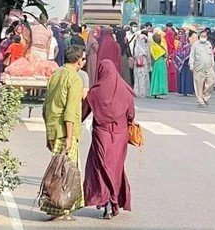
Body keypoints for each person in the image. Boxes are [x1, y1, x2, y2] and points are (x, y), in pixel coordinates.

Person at [82, 60, 134, 219]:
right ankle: (114, 200)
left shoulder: (95, 92)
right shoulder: (125, 90)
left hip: (101, 135)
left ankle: (106, 201)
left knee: (101, 168)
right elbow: (131, 115)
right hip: (120, 135)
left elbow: (83, 112)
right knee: (116, 169)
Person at [41, 45, 86, 220]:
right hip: (65, 131)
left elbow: (45, 106)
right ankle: (61, 208)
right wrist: (69, 136)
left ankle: (55, 208)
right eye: (83, 59)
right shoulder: (74, 79)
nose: (83, 61)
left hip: (53, 128)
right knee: (66, 172)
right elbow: (70, 111)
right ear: (78, 61)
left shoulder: (56, 74)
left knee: (57, 169)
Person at [189, 30, 215, 107]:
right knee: (198, 85)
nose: (203, 38)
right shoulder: (195, 45)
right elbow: (192, 55)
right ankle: (200, 101)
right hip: (198, 67)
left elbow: (211, 54)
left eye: (204, 36)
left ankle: (205, 97)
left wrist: (213, 63)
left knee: (211, 82)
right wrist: (191, 64)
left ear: (207, 37)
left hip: (209, 67)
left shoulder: (209, 44)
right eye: (202, 36)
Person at [149, 32, 169, 99]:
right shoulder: (160, 47)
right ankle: (160, 91)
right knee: (161, 77)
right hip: (161, 63)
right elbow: (165, 54)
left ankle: (154, 91)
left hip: (156, 63)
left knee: (155, 77)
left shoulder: (152, 46)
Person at [132, 30, 151, 98]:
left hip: (138, 61)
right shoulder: (147, 42)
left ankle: (137, 92)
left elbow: (135, 54)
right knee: (144, 76)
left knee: (137, 77)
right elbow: (148, 54)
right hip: (144, 61)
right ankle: (144, 92)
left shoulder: (137, 43)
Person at [176, 32, 195, 97]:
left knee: (182, 77)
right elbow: (191, 54)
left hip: (181, 65)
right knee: (188, 77)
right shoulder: (189, 46)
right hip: (187, 63)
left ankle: (182, 90)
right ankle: (187, 90)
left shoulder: (180, 45)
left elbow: (177, 54)